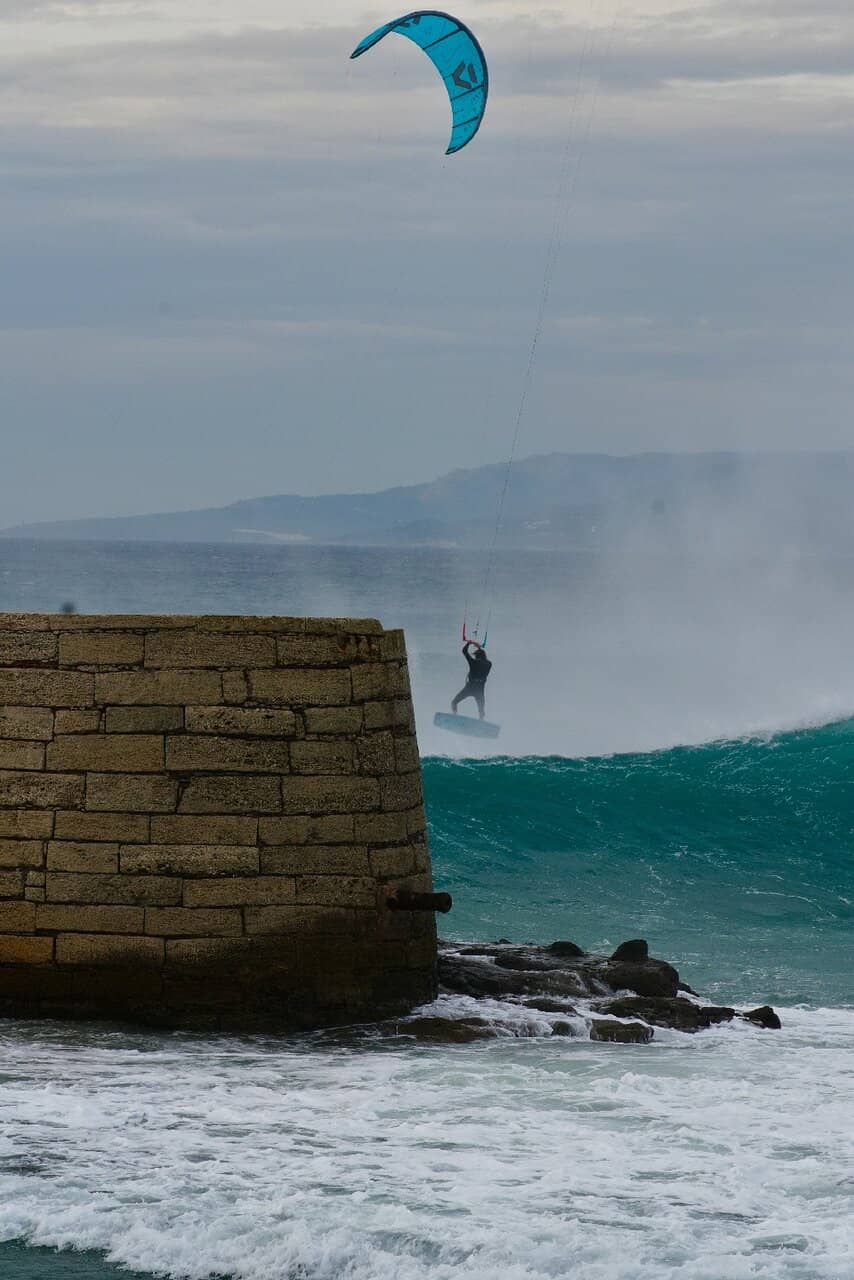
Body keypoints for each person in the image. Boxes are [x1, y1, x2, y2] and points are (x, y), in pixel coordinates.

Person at [451, 641, 492, 720]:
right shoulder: (489, 664)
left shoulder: (473, 662)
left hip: (469, 688)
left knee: (454, 702)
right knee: (481, 710)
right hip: (479, 690)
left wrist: (469, 643)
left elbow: (464, 651)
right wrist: (479, 648)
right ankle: (481, 721)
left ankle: (454, 716)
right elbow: (482, 659)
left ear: (476, 656)